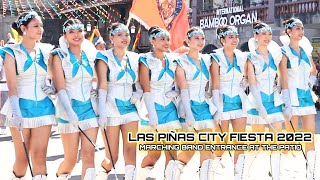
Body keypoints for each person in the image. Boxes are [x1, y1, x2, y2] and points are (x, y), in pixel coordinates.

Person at [0, 11, 55, 179]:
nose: (41, 29)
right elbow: (12, 87)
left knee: (39, 156)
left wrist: (52, 89)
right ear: (23, 28)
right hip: (20, 108)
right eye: (36, 26)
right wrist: (16, 112)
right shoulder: (11, 52)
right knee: (22, 161)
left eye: (41, 26)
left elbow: (54, 77)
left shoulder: (48, 51)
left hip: (44, 108)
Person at [51, 19, 98, 179]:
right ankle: (60, 176)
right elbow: (60, 86)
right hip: (68, 110)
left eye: (79, 31)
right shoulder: (59, 56)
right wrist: (70, 112)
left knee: (89, 155)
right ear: (65, 35)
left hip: (90, 109)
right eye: (71, 31)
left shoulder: (91, 55)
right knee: (71, 160)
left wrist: (97, 90)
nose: (76, 35)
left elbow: (99, 79)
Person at [95, 22, 141, 179]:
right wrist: (101, 112)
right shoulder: (103, 57)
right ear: (111, 38)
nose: (125, 38)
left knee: (131, 149)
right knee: (112, 157)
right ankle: (101, 174)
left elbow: (140, 83)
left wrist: (139, 93)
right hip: (110, 109)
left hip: (131, 109)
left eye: (127, 34)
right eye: (120, 35)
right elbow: (102, 85)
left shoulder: (135, 58)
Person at [138, 26, 182, 180]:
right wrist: (152, 114)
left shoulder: (174, 60)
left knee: (172, 152)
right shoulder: (145, 60)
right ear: (152, 41)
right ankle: (138, 176)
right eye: (162, 39)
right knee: (154, 155)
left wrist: (177, 92)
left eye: (167, 39)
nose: (166, 42)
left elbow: (180, 82)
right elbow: (146, 88)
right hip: (152, 109)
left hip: (170, 109)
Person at [174, 27, 216, 180]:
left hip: (204, 106)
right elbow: (183, 89)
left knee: (207, 146)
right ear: (188, 40)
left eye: (202, 38)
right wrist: (189, 114)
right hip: (187, 107)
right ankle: (173, 173)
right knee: (190, 149)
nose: (200, 41)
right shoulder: (180, 61)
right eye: (196, 38)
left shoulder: (207, 60)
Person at [280, 17, 318, 179]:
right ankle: (284, 168)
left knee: (310, 133)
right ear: (289, 31)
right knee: (291, 135)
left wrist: (309, 84)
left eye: (302, 28)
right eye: (297, 29)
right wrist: (287, 101)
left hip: (306, 96)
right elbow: (283, 78)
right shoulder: (283, 52)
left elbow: (313, 71)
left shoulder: (306, 50)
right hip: (291, 97)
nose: (301, 32)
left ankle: (312, 171)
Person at [246, 21, 285, 180]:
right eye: (264, 34)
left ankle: (276, 174)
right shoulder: (250, 57)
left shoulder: (275, 55)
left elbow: (281, 74)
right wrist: (260, 106)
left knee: (277, 140)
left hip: (274, 102)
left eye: (269, 34)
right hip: (258, 103)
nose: (267, 37)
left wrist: (280, 87)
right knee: (258, 142)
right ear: (256, 36)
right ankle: (248, 172)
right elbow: (252, 83)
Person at [210, 25, 248, 179]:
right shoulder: (216, 58)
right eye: (230, 37)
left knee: (240, 141)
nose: (235, 40)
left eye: (236, 36)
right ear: (222, 40)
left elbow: (247, 76)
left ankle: (239, 174)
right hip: (222, 103)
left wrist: (243, 84)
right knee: (222, 142)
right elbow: (215, 85)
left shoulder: (243, 56)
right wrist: (218, 109)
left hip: (239, 102)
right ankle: (212, 171)